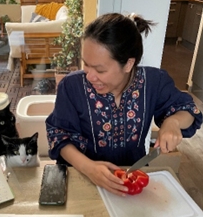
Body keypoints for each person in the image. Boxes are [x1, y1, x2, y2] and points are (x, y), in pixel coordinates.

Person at [46, 13, 202, 197]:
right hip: (81, 178)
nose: (89, 76)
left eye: (100, 69)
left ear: (128, 64)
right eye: (86, 65)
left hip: (131, 179)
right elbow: (59, 135)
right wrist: (89, 168)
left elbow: (188, 109)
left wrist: (173, 122)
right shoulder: (72, 87)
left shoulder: (153, 82)